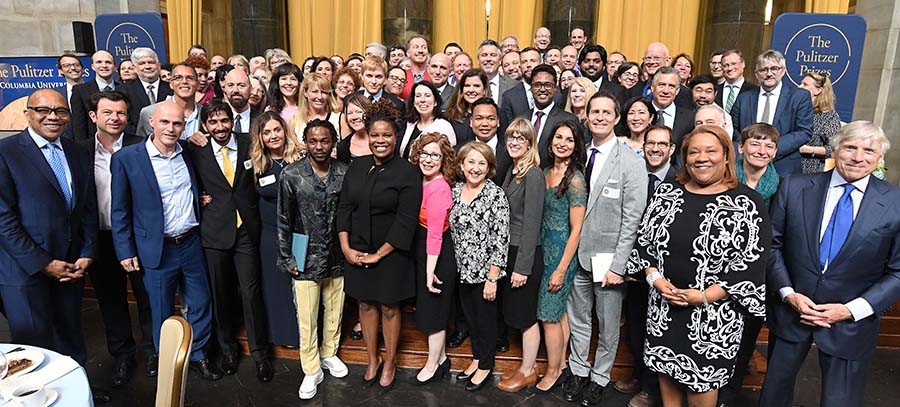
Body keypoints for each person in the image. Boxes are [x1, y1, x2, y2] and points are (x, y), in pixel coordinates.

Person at [760, 120, 900, 407]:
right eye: (850, 147)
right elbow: (772, 247)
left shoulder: (896, 202)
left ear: (880, 158)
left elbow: (898, 271)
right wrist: (788, 294)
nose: (858, 157)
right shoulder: (794, 186)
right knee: (773, 396)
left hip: (852, 323)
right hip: (791, 313)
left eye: (869, 150)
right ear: (835, 149)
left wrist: (850, 310)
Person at [630, 125, 770, 407]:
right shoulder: (667, 192)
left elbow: (752, 263)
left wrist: (706, 296)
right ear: (684, 157)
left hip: (714, 316)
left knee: (701, 386)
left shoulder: (746, 202)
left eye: (710, 151)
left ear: (727, 156)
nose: (701, 157)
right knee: (666, 372)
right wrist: (656, 280)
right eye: (694, 151)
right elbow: (644, 244)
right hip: (664, 307)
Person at [0, 89, 110, 403]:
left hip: (70, 267)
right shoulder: (6, 152)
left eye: (60, 111)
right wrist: (43, 263)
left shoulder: (76, 151)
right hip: (25, 273)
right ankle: (36, 400)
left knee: (71, 337)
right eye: (43, 110)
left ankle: (76, 395)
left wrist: (88, 252)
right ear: (27, 113)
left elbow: (87, 207)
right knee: (33, 348)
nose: (53, 117)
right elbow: (3, 220)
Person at [110, 101, 221, 381]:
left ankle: (198, 355)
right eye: (165, 122)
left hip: (191, 242)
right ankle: (165, 360)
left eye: (177, 123)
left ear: (184, 126)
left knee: (200, 302)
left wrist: (201, 200)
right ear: (151, 123)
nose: (171, 129)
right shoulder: (127, 158)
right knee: (159, 307)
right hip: (156, 248)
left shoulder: (190, 154)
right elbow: (120, 210)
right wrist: (125, 249)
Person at [562, 91, 646, 407]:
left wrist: (618, 266)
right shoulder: (579, 154)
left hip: (608, 259)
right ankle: (579, 371)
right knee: (580, 318)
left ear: (616, 117)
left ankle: (599, 377)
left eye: (605, 112)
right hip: (577, 256)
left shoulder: (630, 161)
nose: (598, 116)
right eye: (594, 111)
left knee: (608, 323)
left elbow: (633, 219)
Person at [183, 100, 273, 382]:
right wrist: (197, 197)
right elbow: (182, 180)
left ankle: (261, 355)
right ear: (205, 126)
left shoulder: (250, 142)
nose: (220, 127)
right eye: (213, 122)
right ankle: (228, 350)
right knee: (220, 295)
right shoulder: (194, 149)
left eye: (224, 121)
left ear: (232, 122)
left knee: (251, 293)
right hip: (214, 232)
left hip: (247, 229)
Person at [337, 100, 422, 392]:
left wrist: (379, 255)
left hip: (391, 253)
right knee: (364, 303)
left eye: (386, 135)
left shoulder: (407, 172)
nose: (380, 140)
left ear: (395, 136)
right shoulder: (357, 166)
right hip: (358, 249)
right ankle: (372, 358)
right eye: (375, 135)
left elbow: (406, 221)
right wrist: (346, 248)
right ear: (367, 136)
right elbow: (344, 208)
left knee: (388, 307)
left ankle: (390, 362)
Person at [77, 91, 155, 387]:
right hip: (100, 238)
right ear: (94, 116)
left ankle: (153, 352)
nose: (115, 118)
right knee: (111, 302)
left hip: (139, 238)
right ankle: (123, 356)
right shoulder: (79, 152)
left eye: (121, 113)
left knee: (146, 298)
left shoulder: (142, 146)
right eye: (108, 112)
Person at [277, 119, 350, 400]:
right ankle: (311, 367)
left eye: (324, 141)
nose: (319, 147)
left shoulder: (344, 172)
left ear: (333, 142)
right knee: (307, 315)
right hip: (302, 250)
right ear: (305, 143)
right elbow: (284, 218)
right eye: (313, 141)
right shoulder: (292, 174)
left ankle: (329, 353)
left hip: (337, 250)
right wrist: (287, 256)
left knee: (335, 307)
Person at [715, 123, 780, 407]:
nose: (761, 150)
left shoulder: (782, 186)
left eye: (768, 146)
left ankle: (727, 396)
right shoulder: (723, 179)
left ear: (775, 152)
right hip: (719, 269)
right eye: (755, 144)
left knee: (745, 340)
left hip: (757, 274)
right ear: (740, 148)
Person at [616, 124, 676, 407]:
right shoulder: (634, 174)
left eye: (662, 144)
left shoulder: (680, 180)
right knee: (637, 326)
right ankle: (639, 375)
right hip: (635, 267)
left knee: (658, 331)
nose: (655, 148)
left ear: (672, 149)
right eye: (650, 143)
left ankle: (652, 389)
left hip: (666, 272)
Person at [450, 141, 510, 392]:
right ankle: (476, 358)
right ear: (461, 165)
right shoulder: (454, 191)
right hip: (461, 271)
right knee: (470, 320)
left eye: (481, 163)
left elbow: (501, 238)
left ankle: (486, 364)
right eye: (470, 162)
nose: (475, 168)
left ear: (489, 168)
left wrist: (492, 278)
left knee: (485, 322)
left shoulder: (495, 194)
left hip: (485, 274)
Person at [534, 120, 587, 393]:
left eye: (569, 139)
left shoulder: (575, 179)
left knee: (548, 315)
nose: (562, 143)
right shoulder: (544, 171)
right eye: (558, 137)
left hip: (561, 256)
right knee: (559, 314)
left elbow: (577, 228)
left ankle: (553, 371)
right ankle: (563, 364)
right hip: (543, 251)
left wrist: (562, 269)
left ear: (576, 145)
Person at [493, 118, 545, 393]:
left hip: (524, 254)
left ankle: (528, 370)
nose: (514, 142)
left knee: (526, 317)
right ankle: (527, 367)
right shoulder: (513, 170)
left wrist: (522, 267)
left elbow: (533, 222)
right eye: (511, 137)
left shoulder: (533, 173)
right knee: (518, 313)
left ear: (530, 143)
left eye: (520, 138)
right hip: (509, 251)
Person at [252, 111, 305, 348]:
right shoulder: (256, 163)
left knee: (302, 286)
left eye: (277, 129)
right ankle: (284, 335)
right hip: (270, 234)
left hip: (299, 233)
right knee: (275, 286)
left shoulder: (301, 159)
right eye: (267, 132)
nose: (273, 136)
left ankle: (307, 335)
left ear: (285, 130)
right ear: (260, 137)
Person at [409, 132, 458, 385]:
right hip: (425, 250)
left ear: (444, 160)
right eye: (425, 154)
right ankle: (441, 359)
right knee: (430, 307)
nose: (428, 160)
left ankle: (432, 363)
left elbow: (436, 235)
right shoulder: (422, 181)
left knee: (435, 310)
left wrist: (429, 272)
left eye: (435, 156)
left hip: (437, 254)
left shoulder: (439, 188)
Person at [730, 50, 813, 176]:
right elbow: (733, 129)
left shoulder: (799, 96)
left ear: (783, 71)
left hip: (784, 166)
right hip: (746, 166)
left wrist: (769, 149)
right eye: (763, 70)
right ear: (756, 74)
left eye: (774, 68)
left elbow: (804, 131)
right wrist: (751, 148)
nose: (769, 74)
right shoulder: (744, 98)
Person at [135, 64, 202, 140]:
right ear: (170, 84)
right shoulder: (150, 112)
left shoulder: (206, 112)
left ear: (197, 84)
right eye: (178, 78)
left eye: (190, 78)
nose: (184, 81)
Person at [529, 64, 579, 165]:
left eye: (548, 85)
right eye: (537, 85)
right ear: (531, 88)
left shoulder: (568, 119)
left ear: (555, 88)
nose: (542, 89)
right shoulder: (522, 117)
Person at [120, 48, 173, 135]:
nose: (147, 66)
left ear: (159, 65)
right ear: (135, 68)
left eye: (151, 62)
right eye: (142, 63)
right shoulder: (123, 90)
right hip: (136, 141)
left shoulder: (171, 89)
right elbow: (124, 119)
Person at [399, 81, 456, 159]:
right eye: (418, 96)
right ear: (413, 102)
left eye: (427, 95)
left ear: (435, 102)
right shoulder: (408, 124)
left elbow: (448, 160)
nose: (422, 100)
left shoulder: (444, 127)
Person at [798, 72, 841, 174]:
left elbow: (836, 149)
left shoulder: (829, 117)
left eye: (805, 84)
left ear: (818, 90)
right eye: (801, 83)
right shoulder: (794, 110)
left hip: (808, 171)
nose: (799, 86)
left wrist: (808, 149)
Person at [651, 66, 695, 165]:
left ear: (677, 90)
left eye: (671, 86)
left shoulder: (690, 118)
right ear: (652, 87)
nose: (666, 91)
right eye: (661, 85)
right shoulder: (640, 113)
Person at [71, 50, 118, 142]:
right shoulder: (80, 90)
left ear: (114, 67)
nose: (104, 66)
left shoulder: (124, 89)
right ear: (93, 66)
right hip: (94, 145)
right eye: (99, 62)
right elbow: (79, 125)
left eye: (108, 62)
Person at [290, 73, 342, 143]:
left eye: (324, 92)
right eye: (315, 92)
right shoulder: (295, 121)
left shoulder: (339, 119)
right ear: (305, 92)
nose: (320, 97)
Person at [499, 47, 543, 125]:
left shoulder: (555, 94)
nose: (528, 65)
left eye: (533, 61)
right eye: (524, 62)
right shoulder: (509, 96)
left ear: (541, 63)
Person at [446, 69, 490, 139]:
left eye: (476, 86)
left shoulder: (496, 113)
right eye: (467, 86)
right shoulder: (450, 115)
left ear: (484, 90)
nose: (471, 90)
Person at [477, 40, 518, 107]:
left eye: (493, 55)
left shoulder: (514, 86)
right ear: (478, 60)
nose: (488, 59)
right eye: (484, 55)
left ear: (500, 60)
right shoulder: (468, 85)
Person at [336, 94, 373, 165]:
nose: (354, 117)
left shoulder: (381, 140)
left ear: (369, 112)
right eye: (349, 113)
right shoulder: (343, 147)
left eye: (359, 112)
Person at [221, 68, 258, 134]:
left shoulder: (261, 119)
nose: (235, 90)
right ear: (224, 88)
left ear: (250, 88)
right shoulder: (216, 120)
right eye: (230, 85)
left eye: (241, 85)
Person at [400, 35, 431, 99]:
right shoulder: (402, 76)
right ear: (408, 53)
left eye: (424, 47)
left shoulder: (434, 75)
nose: (420, 51)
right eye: (416, 47)